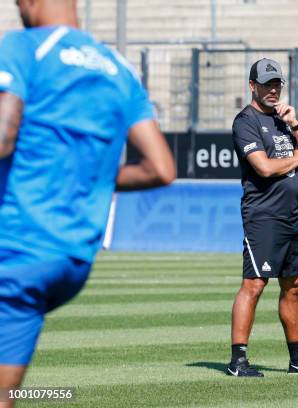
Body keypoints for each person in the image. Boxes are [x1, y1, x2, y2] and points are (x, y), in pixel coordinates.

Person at [0, 1, 175, 405]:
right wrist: (81, 173)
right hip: (69, 258)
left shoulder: (24, 48)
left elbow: (3, 135)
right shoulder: (118, 68)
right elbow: (160, 168)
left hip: (14, 244)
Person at [227, 58, 298, 377]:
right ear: (252, 86)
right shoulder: (245, 121)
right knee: (254, 285)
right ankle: (238, 361)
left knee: (295, 285)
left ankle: (297, 359)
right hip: (263, 217)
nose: (273, 89)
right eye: (266, 83)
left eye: (277, 83)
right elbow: (265, 167)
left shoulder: (285, 121)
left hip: (293, 216)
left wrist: (295, 124)